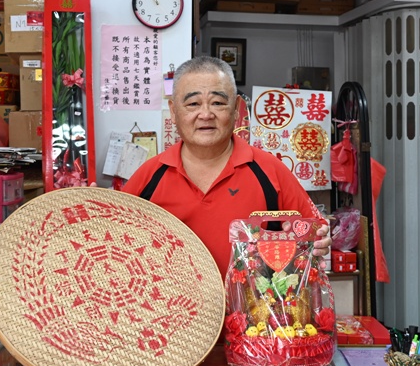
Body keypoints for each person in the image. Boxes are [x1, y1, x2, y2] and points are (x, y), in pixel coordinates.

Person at [121, 56, 330, 278]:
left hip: (254, 309)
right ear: (173, 111)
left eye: (218, 103)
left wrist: (319, 239)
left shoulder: (270, 171)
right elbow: (114, 238)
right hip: (171, 309)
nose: (206, 114)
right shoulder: (150, 176)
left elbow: (314, 230)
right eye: (193, 104)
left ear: (237, 108)